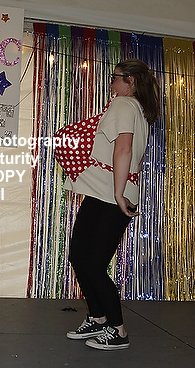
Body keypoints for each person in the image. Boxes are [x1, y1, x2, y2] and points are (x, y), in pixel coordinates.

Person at [64, 59, 160, 350]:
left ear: (131, 81)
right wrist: (124, 189)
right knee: (80, 256)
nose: (111, 83)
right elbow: (136, 160)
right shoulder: (138, 111)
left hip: (110, 195)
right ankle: (97, 317)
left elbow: (124, 149)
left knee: (92, 264)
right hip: (104, 192)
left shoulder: (123, 105)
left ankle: (118, 330)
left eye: (115, 77)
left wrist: (119, 194)